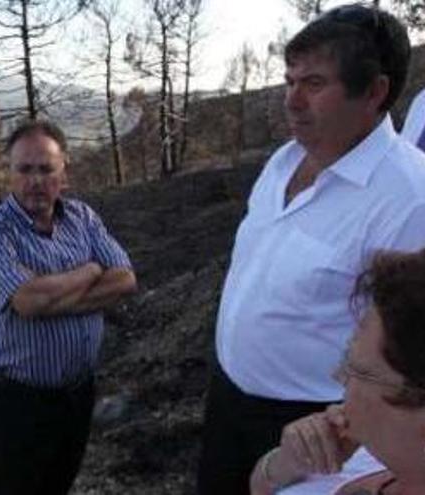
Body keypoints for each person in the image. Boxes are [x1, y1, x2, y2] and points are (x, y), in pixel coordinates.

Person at [197, 4, 425, 494]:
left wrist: (358, 450)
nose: (291, 101)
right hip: (228, 403)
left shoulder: (410, 199)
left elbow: (411, 359)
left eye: (314, 84)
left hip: (318, 433)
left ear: (375, 92)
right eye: (289, 81)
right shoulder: (284, 161)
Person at [0, 120, 137, 494]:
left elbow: (126, 279)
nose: (35, 180)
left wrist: (53, 294)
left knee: (60, 481)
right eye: (24, 169)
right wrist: (92, 271)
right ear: (9, 174)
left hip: (79, 392)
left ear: (64, 172)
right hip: (20, 401)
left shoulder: (82, 217)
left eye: (46, 169)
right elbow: (29, 302)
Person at [250, 248, 425, 494]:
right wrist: (289, 462)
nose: (339, 378)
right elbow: (260, 488)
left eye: (357, 371)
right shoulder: (369, 452)